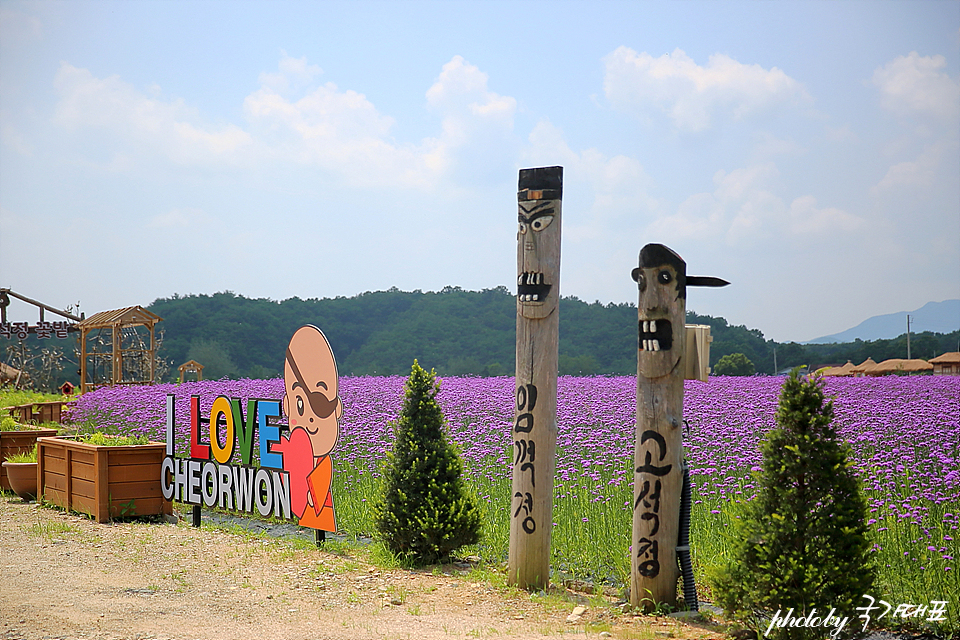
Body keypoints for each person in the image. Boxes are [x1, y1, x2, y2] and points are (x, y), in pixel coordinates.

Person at [271, 325, 341, 532]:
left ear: (336, 410)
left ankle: (319, 535)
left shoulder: (323, 464)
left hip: (320, 514)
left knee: (318, 522)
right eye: (300, 403)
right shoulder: (292, 450)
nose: (310, 418)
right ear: (287, 406)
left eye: (321, 405)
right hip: (303, 511)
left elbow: (315, 496)